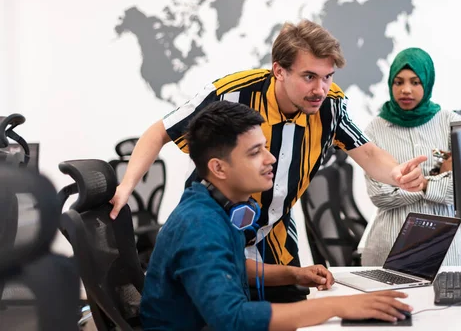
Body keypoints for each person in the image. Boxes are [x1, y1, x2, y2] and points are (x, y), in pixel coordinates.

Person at [111, 19, 427, 302]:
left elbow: (368, 153)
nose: (320, 89)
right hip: (217, 228)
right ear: (279, 70)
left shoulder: (330, 105)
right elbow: (160, 131)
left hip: (273, 233)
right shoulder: (232, 94)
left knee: (293, 309)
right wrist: (126, 186)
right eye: (309, 77)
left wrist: (397, 174)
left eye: (327, 77)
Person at [140, 101, 414, 331]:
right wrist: (338, 306)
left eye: (265, 147)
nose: (270, 159)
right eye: (255, 152)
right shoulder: (200, 226)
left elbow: (229, 267)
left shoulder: (214, 206)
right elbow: (231, 318)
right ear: (219, 168)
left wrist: (294, 274)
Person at [361, 47, 461, 266]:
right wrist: (433, 183)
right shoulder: (375, 130)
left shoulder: (450, 123)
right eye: (398, 82)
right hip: (389, 247)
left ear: (427, 83)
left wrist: (421, 183)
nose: (406, 90)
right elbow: (380, 195)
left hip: (445, 250)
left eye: (415, 82)